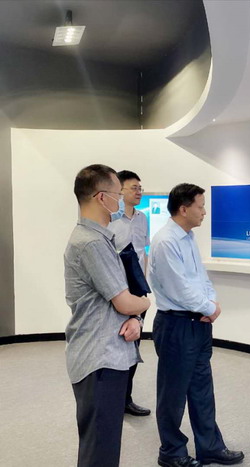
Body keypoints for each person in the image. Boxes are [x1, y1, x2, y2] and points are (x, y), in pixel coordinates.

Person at [149, 183, 244, 467]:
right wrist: (209, 309)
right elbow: (179, 290)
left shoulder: (188, 237)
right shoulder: (165, 241)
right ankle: (171, 452)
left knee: (202, 390)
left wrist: (212, 304)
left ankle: (210, 447)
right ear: (183, 209)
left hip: (198, 324)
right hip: (176, 326)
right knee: (173, 394)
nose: (204, 212)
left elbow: (201, 279)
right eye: (200, 207)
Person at [64, 164, 151, 466]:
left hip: (107, 353)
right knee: (100, 450)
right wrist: (144, 305)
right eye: (118, 193)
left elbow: (120, 303)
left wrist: (134, 317)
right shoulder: (91, 242)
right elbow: (124, 302)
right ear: (102, 198)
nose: (122, 200)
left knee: (103, 445)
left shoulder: (100, 239)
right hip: (99, 358)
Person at [108, 169, 151, 417]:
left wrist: (143, 289)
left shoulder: (143, 218)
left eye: (140, 188)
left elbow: (143, 254)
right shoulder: (110, 218)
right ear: (120, 190)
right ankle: (113, 399)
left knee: (134, 346)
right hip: (116, 290)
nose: (139, 192)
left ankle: (126, 398)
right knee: (117, 345)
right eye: (134, 188)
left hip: (137, 291)